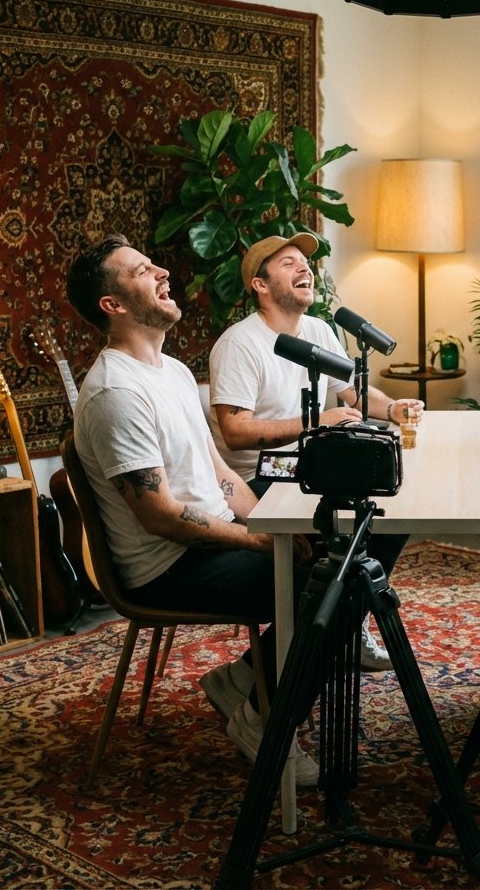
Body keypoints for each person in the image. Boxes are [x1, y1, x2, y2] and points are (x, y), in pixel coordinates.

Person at [66, 234, 320, 786]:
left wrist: (275, 527)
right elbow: (158, 515)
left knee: (341, 551)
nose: (161, 270)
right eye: (140, 271)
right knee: (327, 588)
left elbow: (222, 475)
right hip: (166, 567)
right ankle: (263, 720)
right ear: (113, 306)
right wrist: (259, 544)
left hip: (211, 538)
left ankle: (247, 678)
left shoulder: (176, 373)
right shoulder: (115, 392)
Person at [208, 231, 422, 671]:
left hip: (308, 468)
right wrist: (314, 423)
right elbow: (234, 432)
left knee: (391, 508)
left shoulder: (320, 330)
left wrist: (394, 407)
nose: (304, 268)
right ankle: (307, 645)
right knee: (368, 516)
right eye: (288, 264)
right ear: (260, 285)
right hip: (257, 484)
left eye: (303, 263)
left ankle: (347, 622)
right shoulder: (239, 344)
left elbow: (354, 392)